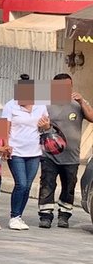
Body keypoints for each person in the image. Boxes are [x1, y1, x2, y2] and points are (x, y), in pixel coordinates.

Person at [38, 73, 93, 228]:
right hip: (50, 154)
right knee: (47, 184)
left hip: (72, 156)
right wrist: (44, 127)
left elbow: (92, 117)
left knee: (69, 187)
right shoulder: (45, 103)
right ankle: (45, 215)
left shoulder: (78, 103)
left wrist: (82, 101)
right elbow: (34, 122)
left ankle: (64, 215)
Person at [1, 76, 50, 231]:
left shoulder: (41, 106)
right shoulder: (10, 105)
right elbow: (1, 129)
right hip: (16, 151)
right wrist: (4, 146)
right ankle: (14, 216)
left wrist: (46, 125)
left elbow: (45, 127)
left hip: (34, 152)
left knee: (28, 185)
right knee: (20, 183)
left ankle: (18, 216)